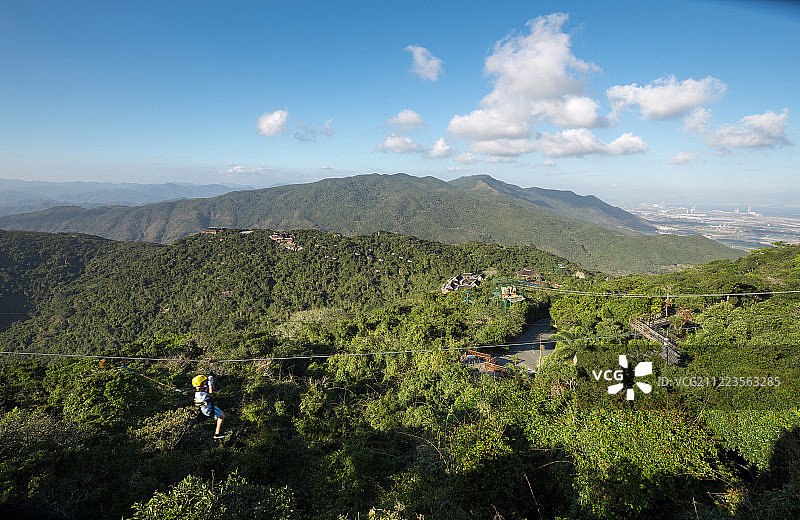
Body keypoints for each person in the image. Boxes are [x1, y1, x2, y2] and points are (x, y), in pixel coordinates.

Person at [192, 374, 225, 439]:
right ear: (200, 383)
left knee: (222, 414)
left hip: (210, 406)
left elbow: (213, 388)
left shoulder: (200, 389)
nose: (205, 382)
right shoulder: (199, 394)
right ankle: (217, 434)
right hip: (207, 409)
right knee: (221, 417)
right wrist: (210, 385)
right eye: (204, 381)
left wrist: (211, 383)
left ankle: (219, 431)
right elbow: (211, 394)